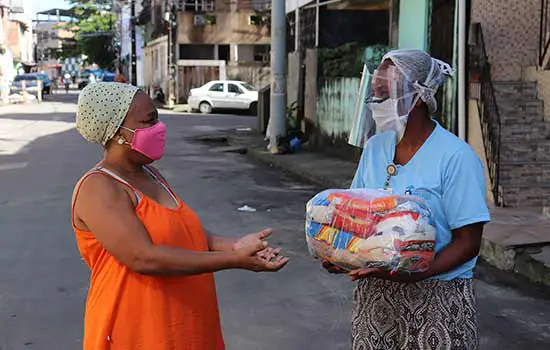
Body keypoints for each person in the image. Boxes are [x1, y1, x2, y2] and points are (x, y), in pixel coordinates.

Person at [72, 82, 289, 350]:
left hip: (186, 326)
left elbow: (180, 228)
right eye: (149, 121)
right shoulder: (99, 187)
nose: (159, 128)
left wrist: (233, 245)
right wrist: (233, 259)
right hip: (137, 331)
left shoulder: (150, 174)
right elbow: (143, 257)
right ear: (118, 132)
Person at [323, 49, 490, 349]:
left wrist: (416, 274)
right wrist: (342, 255)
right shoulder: (375, 148)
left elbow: (468, 242)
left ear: (418, 96)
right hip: (376, 299)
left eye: (385, 94)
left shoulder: (456, 157)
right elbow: (358, 218)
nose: (375, 103)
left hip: (437, 300)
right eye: (374, 94)